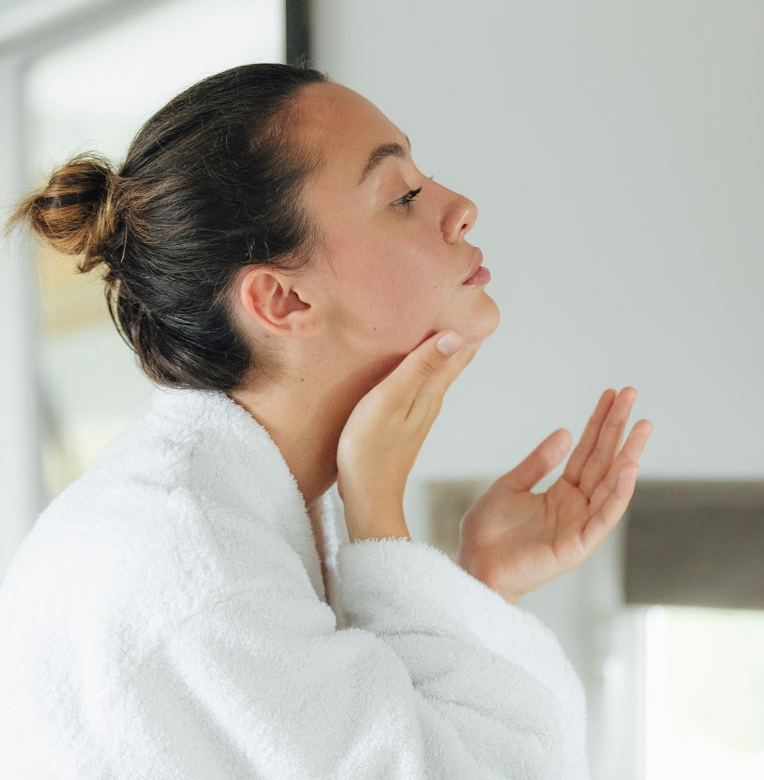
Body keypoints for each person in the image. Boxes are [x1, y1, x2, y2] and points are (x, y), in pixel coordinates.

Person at [0, 63, 651, 779]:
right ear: (282, 300)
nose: (459, 205)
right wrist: (380, 514)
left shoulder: (227, 517)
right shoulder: (200, 567)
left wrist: (483, 584)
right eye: (401, 194)